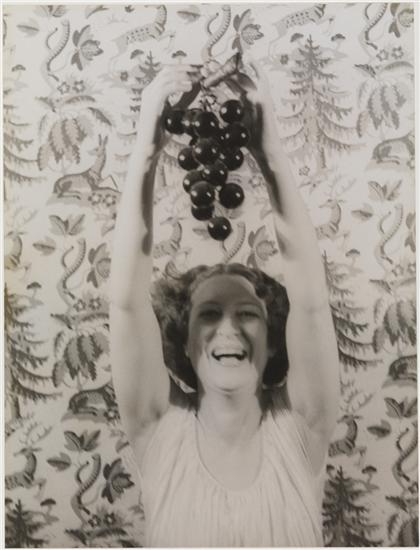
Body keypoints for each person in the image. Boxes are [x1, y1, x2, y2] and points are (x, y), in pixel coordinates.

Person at [110, 57, 340, 547]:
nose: (229, 327)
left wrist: (269, 152)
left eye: (248, 313)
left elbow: (313, 304)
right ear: (183, 342)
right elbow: (127, 304)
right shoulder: (158, 429)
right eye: (209, 313)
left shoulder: (302, 427)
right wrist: (146, 152)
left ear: (274, 342)